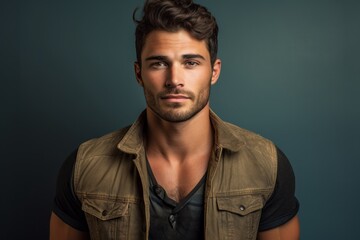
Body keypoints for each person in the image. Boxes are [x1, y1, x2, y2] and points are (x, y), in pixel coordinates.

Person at [49, 0, 300, 239]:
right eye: (158, 63)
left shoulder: (266, 164)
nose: (174, 79)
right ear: (139, 73)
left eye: (190, 62)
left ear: (214, 72)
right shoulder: (85, 166)